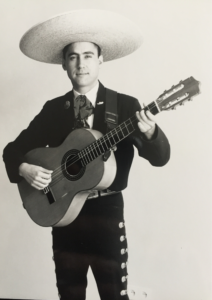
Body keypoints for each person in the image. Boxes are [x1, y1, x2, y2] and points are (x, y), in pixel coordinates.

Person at [3, 10, 170, 300]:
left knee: (113, 295)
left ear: (101, 59)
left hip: (107, 215)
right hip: (63, 212)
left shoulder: (126, 106)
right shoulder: (54, 110)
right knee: (69, 294)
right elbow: (12, 151)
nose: (81, 64)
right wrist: (25, 169)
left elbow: (160, 158)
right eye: (73, 57)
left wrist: (151, 133)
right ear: (64, 65)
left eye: (89, 55)